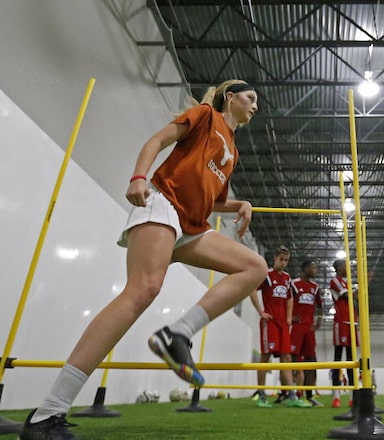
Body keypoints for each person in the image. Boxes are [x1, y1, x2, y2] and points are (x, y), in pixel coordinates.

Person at [18, 80, 267, 439]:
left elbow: (213, 200)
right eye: (251, 98)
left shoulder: (233, 150)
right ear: (231, 97)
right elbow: (158, 141)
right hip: (163, 204)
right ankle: (47, 413)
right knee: (143, 291)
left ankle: (177, 334)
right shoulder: (204, 116)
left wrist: (239, 204)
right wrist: (138, 177)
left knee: (254, 267)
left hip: (192, 226)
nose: (255, 106)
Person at [249, 246, 311, 408]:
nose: (283, 263)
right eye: (281, 259)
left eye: (286, 260)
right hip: (269, 322)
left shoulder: (287, 278)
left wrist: (289, 317)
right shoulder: (266, 275)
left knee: (287, 358)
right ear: (275, 258)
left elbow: (290, 298)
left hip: (283, 324)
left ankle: (291, 395)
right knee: (266, 357)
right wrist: (261, 311)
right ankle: (261, 395)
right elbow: (251, 290)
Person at [290, 260, 323, 407]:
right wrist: (290, 317)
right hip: (296, 329)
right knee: (291, 361)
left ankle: (310, 395)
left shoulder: (315, 287)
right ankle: (289, 394)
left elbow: (320, 306)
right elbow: (286, 301)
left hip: (309, 330)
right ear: (305, 269)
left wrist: (318, 322)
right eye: (313, 267)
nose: (315, 270)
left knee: (311, 361)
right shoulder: (294, 284)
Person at [329, 259, 358, 408]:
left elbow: (355, 297)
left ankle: (353, 396)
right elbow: (348, 296)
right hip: (341, 323)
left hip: (352, 322)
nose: (348, 268)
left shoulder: (348, 282)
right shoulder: (335, 281)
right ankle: (336, 396)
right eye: (345, 266)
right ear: (339, 268)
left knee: (352, 361)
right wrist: (364, 283)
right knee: (338, 360)